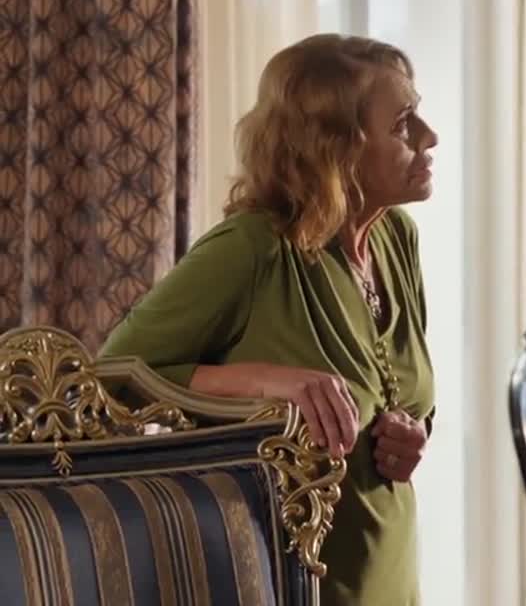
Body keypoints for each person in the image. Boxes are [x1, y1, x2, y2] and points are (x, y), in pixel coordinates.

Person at [99, 34, 438, 605]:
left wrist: (416, 434)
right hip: (284, 582)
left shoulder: (395, 238)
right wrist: (263, 380)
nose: (429, 137)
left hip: (391, 578)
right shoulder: (251, 249)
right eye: (404, 124)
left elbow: (407, 397)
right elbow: (110, 376)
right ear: (336, 147)